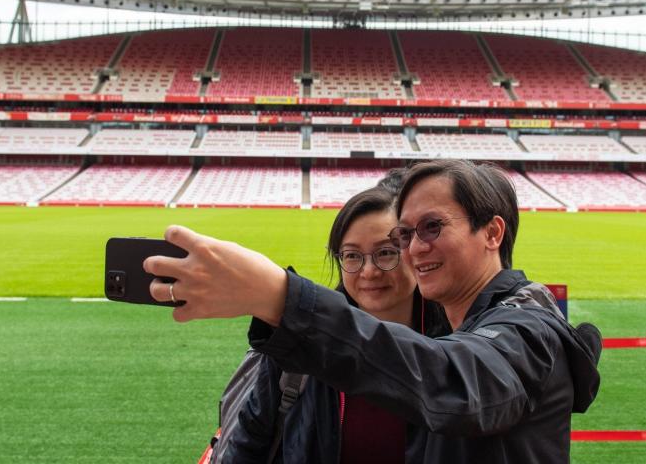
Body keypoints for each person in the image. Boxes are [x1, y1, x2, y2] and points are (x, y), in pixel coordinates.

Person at [145, 159, 601, 464]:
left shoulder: (527, 332)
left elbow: (452, 385)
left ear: (492, 232)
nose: (416, 248)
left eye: (432, 227)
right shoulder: (463, 325)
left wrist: (280, 296)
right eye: (405, 236)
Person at [217, 181, 448, 463]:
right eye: (352, 255)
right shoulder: (298, 340)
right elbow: (249, 442)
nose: (369, 271)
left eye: (386, 252)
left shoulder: (457, 340)